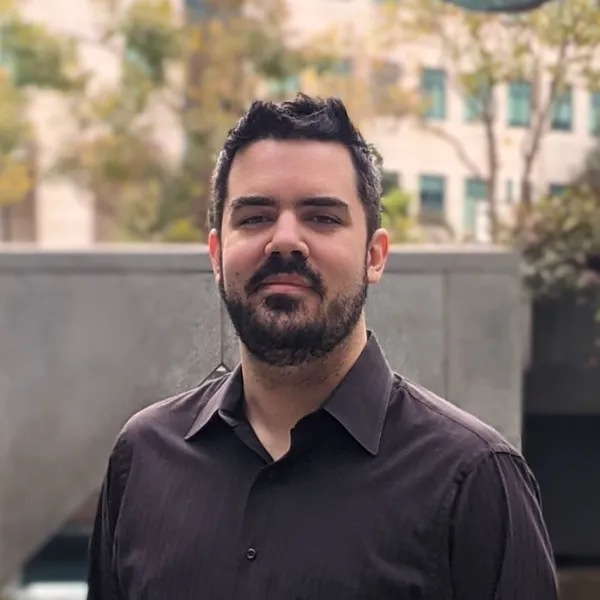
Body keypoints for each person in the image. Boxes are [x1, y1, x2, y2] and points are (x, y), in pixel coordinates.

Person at [87, 94, 558, 600]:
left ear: (374, 256)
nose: (285, 240)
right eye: (254, 217)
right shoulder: (143, 458)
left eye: (322, 217)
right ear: (217, 255)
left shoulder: (474, 480)